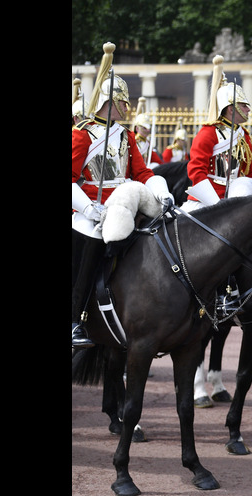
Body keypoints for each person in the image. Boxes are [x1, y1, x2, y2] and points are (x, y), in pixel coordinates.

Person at [72, 42, 173, 348]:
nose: (127, 108)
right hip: (88, 208)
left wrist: (161, 191)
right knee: (89, 246)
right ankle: (75, 319)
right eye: (122, 102)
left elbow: (141, 173)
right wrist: (90, 210)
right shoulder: (82, 134)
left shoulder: (126, 136)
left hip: (125, 204)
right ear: (108, 101)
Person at [185, 56, 252, 209]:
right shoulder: (208, 133)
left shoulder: (243, 134)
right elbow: (196, 171)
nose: (248, 109)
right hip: (208, 199)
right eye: (244, 106)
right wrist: (216, 205)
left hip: (239, 194)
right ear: (231, 109)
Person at [132, 98, 163, 168]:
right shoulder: (133, 142)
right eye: (144, 128)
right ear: (137, 128)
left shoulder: (147, 143)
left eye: (148, 128)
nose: (147, 130)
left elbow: (157, 161)